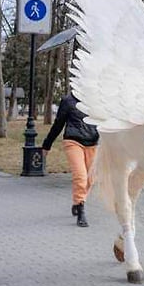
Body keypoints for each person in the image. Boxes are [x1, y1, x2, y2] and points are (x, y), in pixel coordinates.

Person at [42, 92, 100, 227]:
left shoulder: (96, 98)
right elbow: (58, 123)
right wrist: (47, 144)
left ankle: (77, 201)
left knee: (90, 178)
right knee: (80, 176)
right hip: (73, 141)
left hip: (92, 143)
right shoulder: (68, 101)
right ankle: (81, 210)